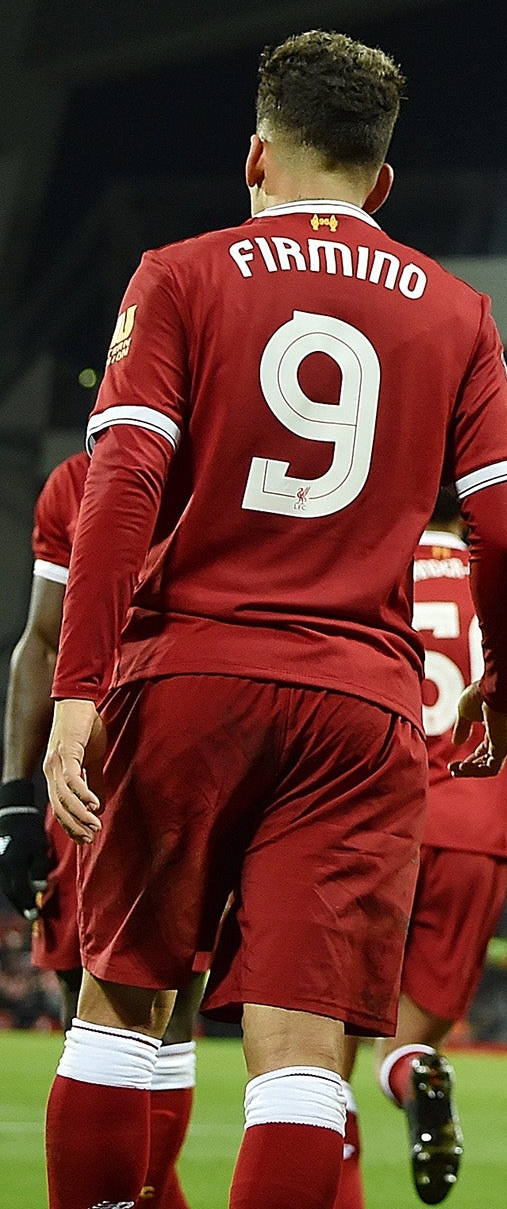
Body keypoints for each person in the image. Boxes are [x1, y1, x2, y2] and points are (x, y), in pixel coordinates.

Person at [39, 30, 507, 1209]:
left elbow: (119, 494)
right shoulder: (460, 311)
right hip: (363, 707)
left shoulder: (180, 272)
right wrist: (501, 682)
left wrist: (77, 691)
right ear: (382, 181)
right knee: (304, 1059)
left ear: (255, 157)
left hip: (189, 679)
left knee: (121, 1006)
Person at [336, 490, 507, 1207]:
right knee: (404, 1045)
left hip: (369, 825)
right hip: (475, 837)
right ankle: (414, 1072)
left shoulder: (368, 572)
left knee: (317, 1066)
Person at [4, 452, 208, 1208]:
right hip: (100, 775)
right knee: (140, 1030)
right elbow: (43, 640)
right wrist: (13, 800)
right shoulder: (76, 479)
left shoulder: (209, 459)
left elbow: (45, 641)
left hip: (151, 764)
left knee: (117, 1032)